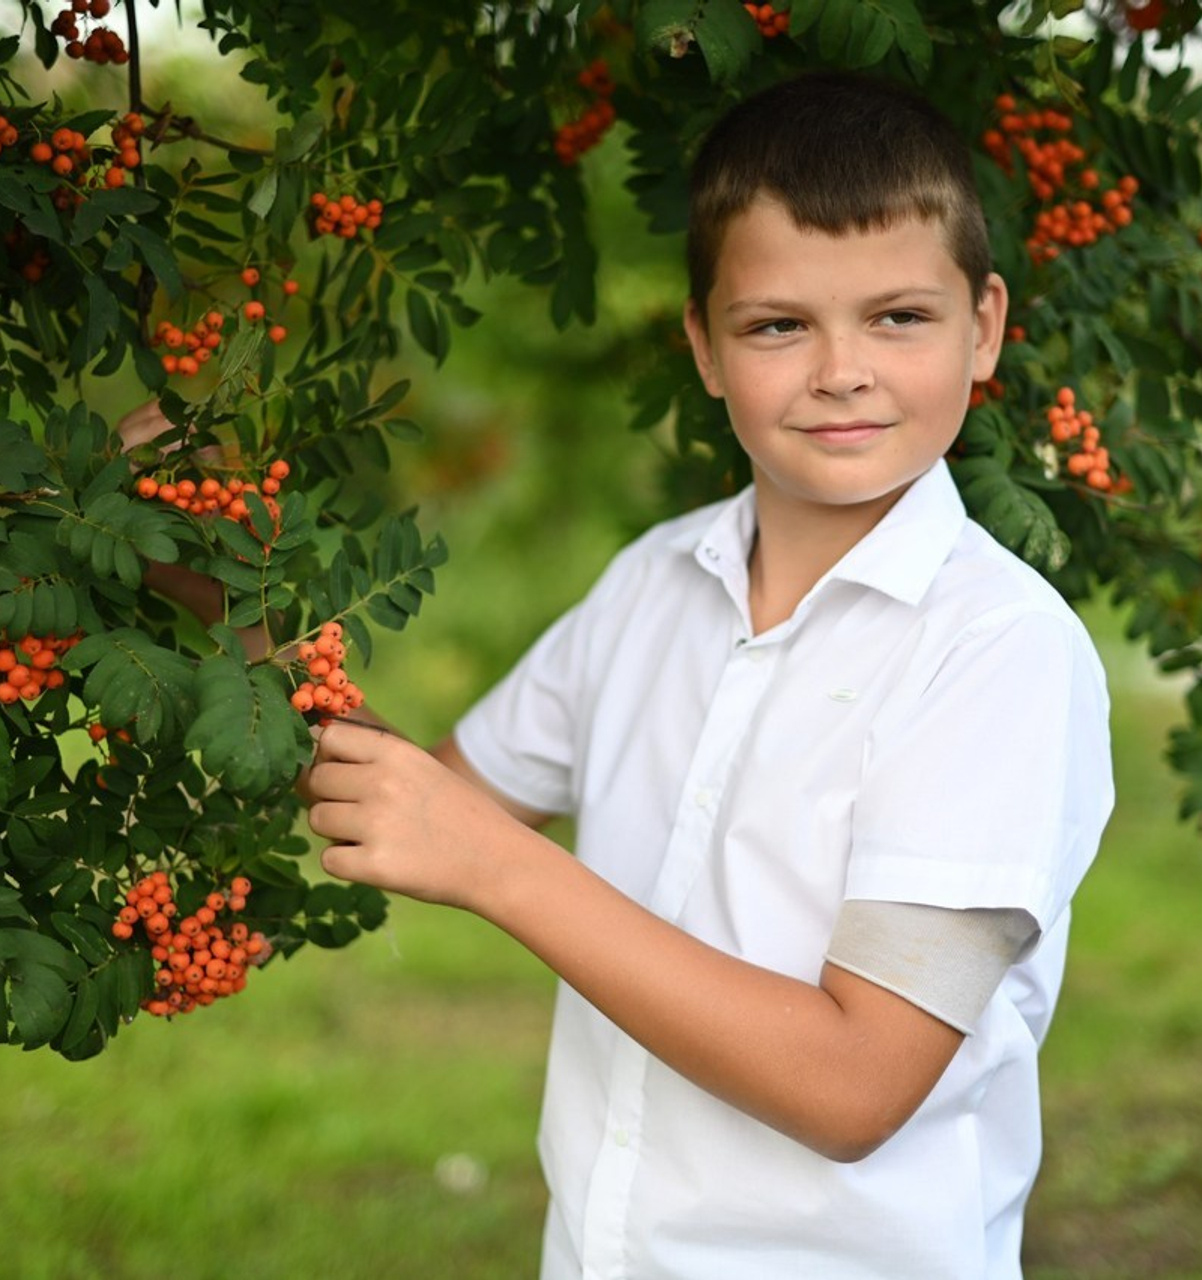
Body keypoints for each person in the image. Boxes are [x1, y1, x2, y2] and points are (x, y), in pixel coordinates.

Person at [304, 70, 1115, 1279]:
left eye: (898, 316)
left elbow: (853, 1084)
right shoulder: (650, 583)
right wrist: (227, 603)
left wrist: (500, 866)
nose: (840, 370)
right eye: (777, 325)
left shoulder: (998, 650)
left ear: (983, 325)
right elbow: (420, 805)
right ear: (702, 346)